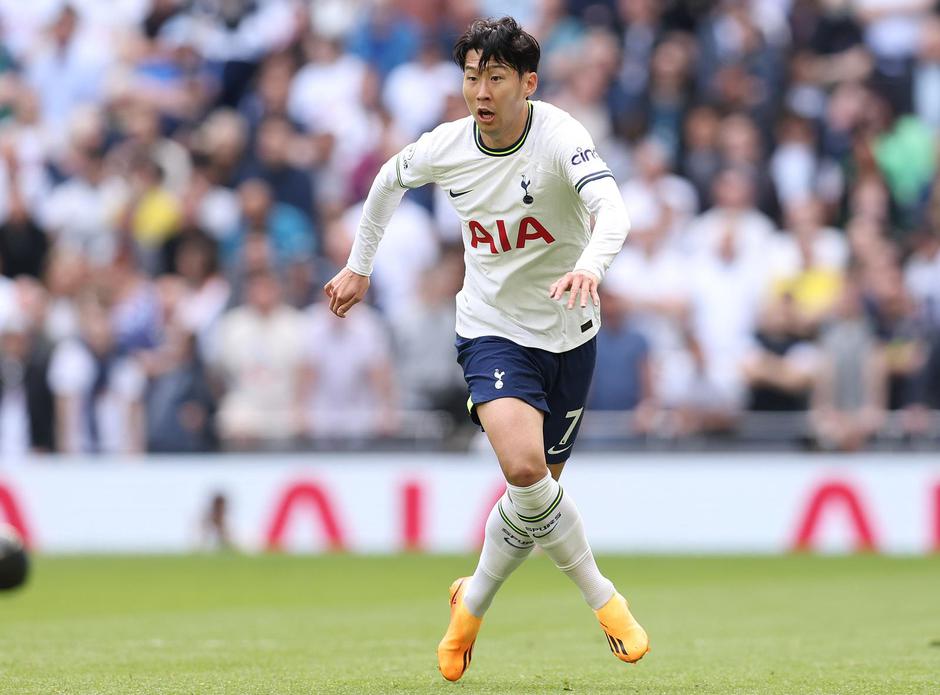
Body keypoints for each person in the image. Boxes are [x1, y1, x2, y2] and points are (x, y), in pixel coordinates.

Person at [324, 16, 648, 682]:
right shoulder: (448, 145)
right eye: (472, 75)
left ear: (527, 82)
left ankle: (469, 601)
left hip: (571, 333)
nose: (481, 90)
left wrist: (592, 262)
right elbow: (388, 180)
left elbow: (613, 208)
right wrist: (360, 265)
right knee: (525, 468)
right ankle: (604, 598)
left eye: (496, 76)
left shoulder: (560, 136)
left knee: (537, 503)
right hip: (491, 329)